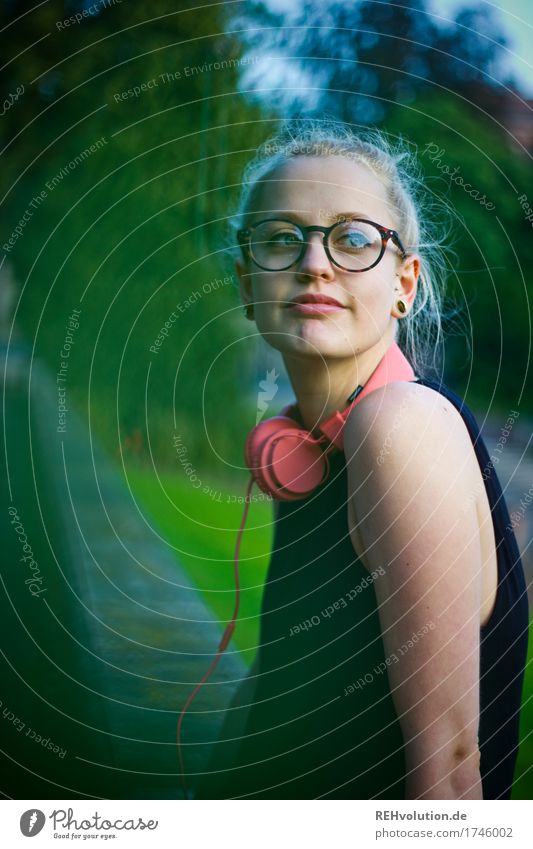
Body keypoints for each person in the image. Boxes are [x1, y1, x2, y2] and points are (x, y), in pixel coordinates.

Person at [194, 118, 529, 800]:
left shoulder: (397, 426)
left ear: (404, 282)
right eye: (281, 238)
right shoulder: (310, 447)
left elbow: (450, 776)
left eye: (352, 238)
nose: (314, 262)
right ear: (245, 281)